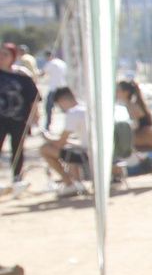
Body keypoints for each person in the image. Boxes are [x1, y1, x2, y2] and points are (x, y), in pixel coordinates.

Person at [0, 43, 39, 189]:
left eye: (5, 55)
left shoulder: (22, 76)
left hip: (18, 119)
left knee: (17, 149)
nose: (1, 57)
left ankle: (17, 178)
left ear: (13, 57)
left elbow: (33, 97)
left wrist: (35, 115)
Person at [39, 87, 88, 195]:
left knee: (45, 149)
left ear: (62, 101)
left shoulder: (73, 113)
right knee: (70, 149)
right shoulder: (86, 108)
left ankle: (69, 182)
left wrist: (48, 137)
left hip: (88, 154)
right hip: (91, 150)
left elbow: (60, 142)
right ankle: (76, 182)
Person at [115, 80, 152, 151]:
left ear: (126, 92)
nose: (116, 93)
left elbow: (135, 125)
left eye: (118, 90)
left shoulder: (132, 107)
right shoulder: (129, 105)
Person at [41, 50, 70, 130]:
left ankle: (47, 126)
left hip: (53, 88)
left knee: (48, 108)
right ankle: (70, 127)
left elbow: (43, 73)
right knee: (66, 108)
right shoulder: (62, 63)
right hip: (63, 87)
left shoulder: (50, 63)